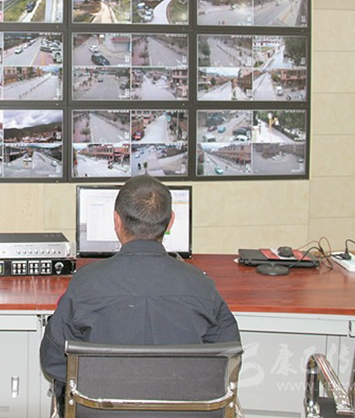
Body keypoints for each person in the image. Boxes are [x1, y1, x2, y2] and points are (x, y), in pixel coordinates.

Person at [40, 175, 240, 413]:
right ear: (171, 222)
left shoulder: (84, 285)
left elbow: (53, 360)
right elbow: (228, 361)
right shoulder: (203, 286)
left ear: (116, 220)